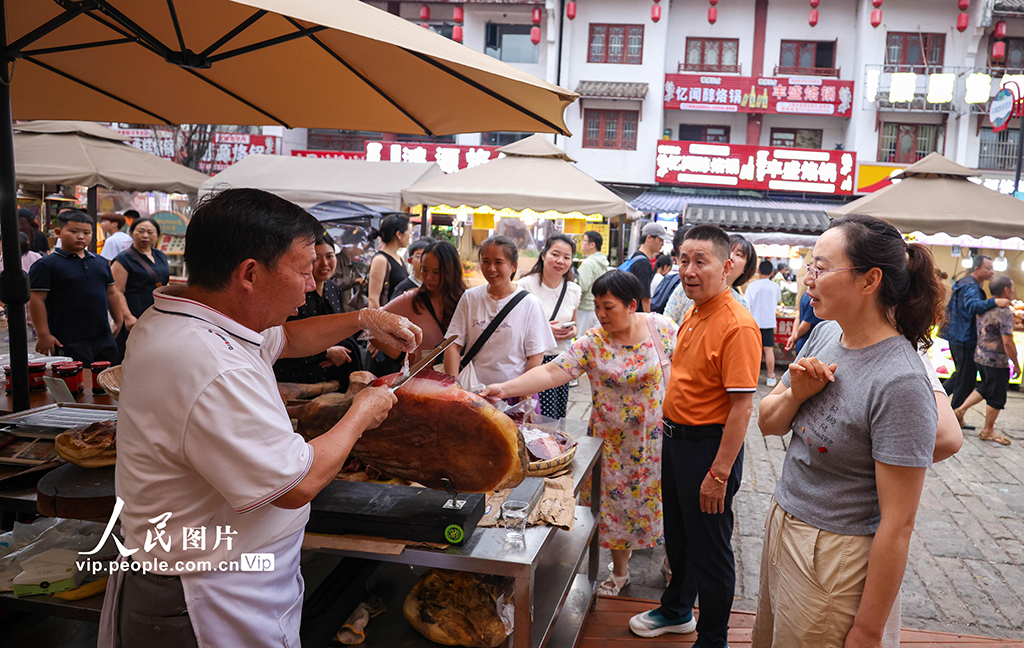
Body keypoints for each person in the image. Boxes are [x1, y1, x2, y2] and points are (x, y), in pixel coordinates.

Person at [98, 188, 421, 648]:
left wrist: (364, 318)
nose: (311, 285)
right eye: (304, 271)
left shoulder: (196, 318)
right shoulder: (209, 361)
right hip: (205, 597)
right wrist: (360, 412)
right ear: (250, 273)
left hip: (232, 575)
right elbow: (296, 486)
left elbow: (287, 339)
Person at [754, 214, 942, 648]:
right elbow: (767, 422)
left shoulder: (900, 380)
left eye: (820, 268)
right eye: (809, 266)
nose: (808, 278)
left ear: (869, 280)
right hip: (783, 523)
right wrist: (797, 394)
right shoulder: (825, 335)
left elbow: (898, 524)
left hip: (833, 555)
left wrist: (868, 630)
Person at [481, 270, 676, 596]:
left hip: (656, 441)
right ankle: (620, 572)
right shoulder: (594, 342)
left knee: (666, 502)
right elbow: (551, 372)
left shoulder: (663, 328)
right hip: (610, 444)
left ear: (631, 305)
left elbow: (685, 372)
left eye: (608, 307)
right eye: (597, 306)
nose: (600, 314)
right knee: (614, 508)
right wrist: (504, 388)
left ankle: (673, 566)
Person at [629, 225, 760, 646]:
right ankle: (676, 609)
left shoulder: (737, 324)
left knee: (710, 549)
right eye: (683, 260)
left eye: (700, 261)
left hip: (708, 448)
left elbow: (742, 407)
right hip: (676, 443)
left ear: (726, 267)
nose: (688, 270)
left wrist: (719, 474)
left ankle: (713, 638)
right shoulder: (693, 310)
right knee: (680, 538)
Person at [443, 235, 554, 390]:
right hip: (472, 390)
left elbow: (536, 356)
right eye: (486, 261)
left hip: (512, 392)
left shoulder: (529, 303)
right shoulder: (470, 298)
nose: (491, 268)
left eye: (499, 262)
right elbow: (453, 345)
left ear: (514, 266)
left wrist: (523, 391)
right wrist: (454, 387)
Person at [273, 231, 364, 389]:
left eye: (330, 256)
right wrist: (326, 352)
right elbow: (284, 338)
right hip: (299, 380)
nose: (324, 264)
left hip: (332, 378)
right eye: (316, 259)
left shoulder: (334, 289)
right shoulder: (293, 292)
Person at [28, 209, 122, 364]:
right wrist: (43, 334)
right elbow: (36, 300)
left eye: (86, 233)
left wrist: (118, 320)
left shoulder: (101, 262)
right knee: (76, 376)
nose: (81, 237)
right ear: (58, 232)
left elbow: (111, 292)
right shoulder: (46, 265)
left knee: (107, 374)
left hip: (103, 336)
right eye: (74, 231)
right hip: (67, 338)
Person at [518, 234, 582, 419]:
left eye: (566, 257)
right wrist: (543, 329)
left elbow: (575, 325)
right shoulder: (524, 286)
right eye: (555, 254)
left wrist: (572, 332)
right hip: (533, 362)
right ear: (543, 255)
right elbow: (514, 326)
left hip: (561, 362)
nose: (560, 261)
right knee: (537, 419)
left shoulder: (573, 290)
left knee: (557, 419)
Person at [376, 240, 466, 366]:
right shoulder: (412, 299)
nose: (428, 277)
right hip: (421, 377)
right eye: (424, 270)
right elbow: (372, 324)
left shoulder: (467, 300)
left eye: (436, 272)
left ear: (451, 271)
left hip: (462, 375)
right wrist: (401, 357)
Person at [953, 275, 1018, 445]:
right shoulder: (1004, 312)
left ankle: (960, 410)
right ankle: (988, 430)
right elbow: (1007, 342)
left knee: (986, 387)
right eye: (1012, 288)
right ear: (1006, 290)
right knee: (997, 396)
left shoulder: (983, 308)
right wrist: (1016, 364)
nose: (1013, 291)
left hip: (980, 356)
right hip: (997, 360)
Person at [941, 255, 1006, 420]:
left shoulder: (966, 283)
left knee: (961, 376)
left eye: (992, 268)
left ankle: (943, 408)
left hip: (959, 336)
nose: (992, 271)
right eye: (988, 268)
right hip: (963, 338)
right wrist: (995, 302)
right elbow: (973, 306)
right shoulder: (971, 286)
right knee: (965, 380)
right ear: (976, 269)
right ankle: (953, 417)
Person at [111, 218, 171, 360]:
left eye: (150, 232)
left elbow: (164, 283)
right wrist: (127, 317)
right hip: (135, 312)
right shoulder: (123, 259)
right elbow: (117, 291)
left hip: (158, 313)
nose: (145, 236)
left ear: (157, 235)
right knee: (134, 354)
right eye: (140, 231)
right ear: (131, 233)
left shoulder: (160, 255)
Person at [664, 232, 754, 324]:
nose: (731, 257)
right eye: (728, 251)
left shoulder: (742, 305)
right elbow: (667, 321)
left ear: (746, 267)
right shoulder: (691, 285)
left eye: (738, 255)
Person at [745, 260, 784, 387]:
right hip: (768, 322)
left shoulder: (752, 286)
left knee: (753, 350)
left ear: (758, 271)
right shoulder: (775, 286)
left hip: (753, 322)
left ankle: (751, 377)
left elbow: (746, 304)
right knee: (768, 349)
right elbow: (778, 300)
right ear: (772, 273)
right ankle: (771, 377)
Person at [367, 214, 411, 309]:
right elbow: (373, 299)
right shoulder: (381, 260)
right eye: (409, 233)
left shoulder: (400, 258)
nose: (409, 237)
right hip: (386, 315)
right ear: (399, 234)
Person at [625, 222, 669, 313]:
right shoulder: (643, 263)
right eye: (660, 240)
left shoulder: (634, 256)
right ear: (649, 238)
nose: (662, 244)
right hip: (636, 313)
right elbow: (645, 298)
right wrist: (649, 319)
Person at [577, 230, 609, 335]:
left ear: (592, 245)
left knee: (582, 339)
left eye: (584, 240)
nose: (582, 243)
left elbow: (582, 286)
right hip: (597, 306)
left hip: (585, 307)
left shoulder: (588, 263)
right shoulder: (603, 262)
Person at [785, 289, 823, 356]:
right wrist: (795, 336)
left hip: (803, 342)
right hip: (808, 343)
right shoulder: (814, 299)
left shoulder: (805, 294)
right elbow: (805, 325)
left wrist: (793, 335)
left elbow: (798, 316)